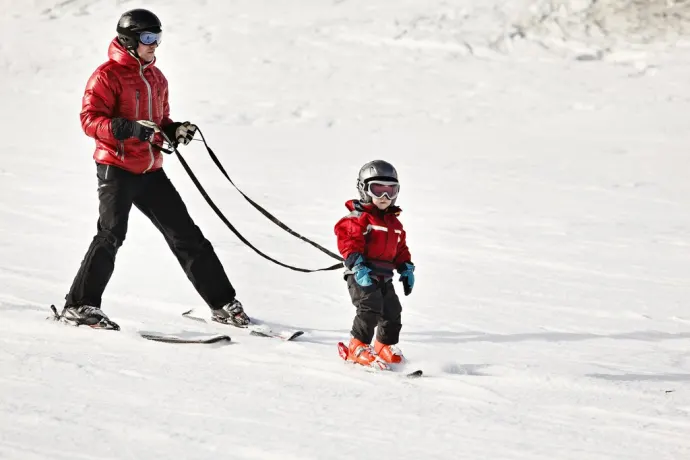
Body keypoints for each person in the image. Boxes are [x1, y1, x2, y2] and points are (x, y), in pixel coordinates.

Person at [60, 9, 249, 328]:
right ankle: (79, 305)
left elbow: (159, 122)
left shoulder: (156, 78)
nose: (154, 45)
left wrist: (174, 130)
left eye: (158, 38)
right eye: (148, 38)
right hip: (116, 167)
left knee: (187, 235)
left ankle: (223, 303)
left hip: (150, 169)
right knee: (111, 234)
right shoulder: (106, 76)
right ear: (129, 40)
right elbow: (90, 120)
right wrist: (129, 129)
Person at [334, 160, 415, 368]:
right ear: (363, 189)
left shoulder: (394, 223)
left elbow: (400, 249)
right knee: (369, 307)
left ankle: (383, 345)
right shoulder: (359, 218)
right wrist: (357, 264)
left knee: (392, 310)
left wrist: (406, 268)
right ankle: (357, 345)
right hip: (361, 273)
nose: (384, 197)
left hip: (384, 277)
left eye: (390, 190)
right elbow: (349, 241)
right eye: (377, 189)